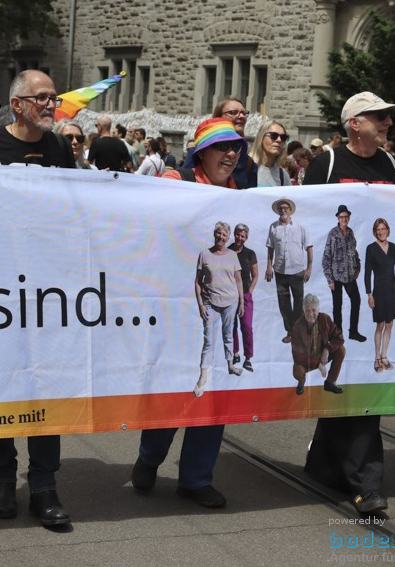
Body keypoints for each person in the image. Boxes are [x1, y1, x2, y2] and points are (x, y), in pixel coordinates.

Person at [0, 70, 75, 528]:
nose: (52, 105)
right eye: (43, 98)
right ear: (18, 104)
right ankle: (2, 479)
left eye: (54, 98)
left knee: (48, 385)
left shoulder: (60, 149)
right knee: (1, 385)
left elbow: (74, 211)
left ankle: (44, 487)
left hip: (49, 292)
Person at [131, 117, 247, 509]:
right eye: (222, 147)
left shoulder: (240, 197)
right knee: (172, 390)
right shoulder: (175, 183)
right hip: (173, 308)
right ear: (202, 152)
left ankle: (196, 478)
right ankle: (150, 457)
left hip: (219, 305)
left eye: (236, 148)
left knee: (214, 393)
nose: (231, 154)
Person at [303, 90, 395, 516]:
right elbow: (308, 222)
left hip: (376, 285)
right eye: (378, 117)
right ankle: (366, 482)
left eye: (388, 118)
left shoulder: (393, 165)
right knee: (350, 375)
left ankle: (327, 466)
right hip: (335, 288)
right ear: (354, 124)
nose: (386, 124)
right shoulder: (325, 164)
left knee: (361, 379)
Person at [193, 221, 245, 394]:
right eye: (219, 233)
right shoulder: (204, 255)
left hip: (231, 302)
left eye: (224, 235)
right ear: (214, 234)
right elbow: (198, 282)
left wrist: (242, 302)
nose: (221, 237)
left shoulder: (232, 255)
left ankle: (230, 365)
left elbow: (238, 280)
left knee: (228, 335)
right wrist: (200, 304)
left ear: (228, 237)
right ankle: (203, 375)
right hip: (210, 303)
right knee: (208, 339)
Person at [266, 197, 312, 343]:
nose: (283, 210)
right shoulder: (273, 227)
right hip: (280, 272)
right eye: (281, 208)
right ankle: (290, 331)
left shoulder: (300, 226)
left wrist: (309, 268)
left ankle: (297, 331)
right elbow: (270, 248)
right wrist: (269, 266)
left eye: (286, 208)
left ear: (290, 210)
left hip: (297, 271)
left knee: (298, 303)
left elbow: (309, 247)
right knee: (284, 303)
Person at [182, 97, 254, 187]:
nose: (241, 116)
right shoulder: (178, 177)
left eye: (237, 147)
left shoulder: (248, 162)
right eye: (233, 112)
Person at [323, 204, 364, 343]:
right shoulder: (333, 234)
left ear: (349, 218)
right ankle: (338, 335)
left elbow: (354, 251)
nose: (344, 219)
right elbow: (326, 257)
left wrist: (357, 266)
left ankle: (353, 331)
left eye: (346, 217)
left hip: (350, 275)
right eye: (341, 217)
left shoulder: (351, 232)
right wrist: (329, 279)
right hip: (336, 276)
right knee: (337, 305)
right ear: (338, 218)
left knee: (356, 300)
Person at [290, 294, 345, 395]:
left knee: (341, 350)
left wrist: (327, 349)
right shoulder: (297, 327)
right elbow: (298, 356)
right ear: (303, 311)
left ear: (318, 310)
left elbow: (339, 338)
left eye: (313, 310)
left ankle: (330, 383)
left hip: (322, 356)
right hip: (305, 361)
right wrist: (318, 364)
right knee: (298, 371)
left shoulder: (325, 319)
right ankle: (301, 384)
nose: (311, 313)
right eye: (307, 310)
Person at [365, 217, 395, 372]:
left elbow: (391, 270)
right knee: (380, 324)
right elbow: (367, 274)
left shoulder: (393, 247)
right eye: (378, 229)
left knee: (389, 324)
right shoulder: (371, 248)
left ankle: (385, 356)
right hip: (378, 290)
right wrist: (369, 294)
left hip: (392, 289)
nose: (380, 232)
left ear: (387, 230)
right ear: (375, 232)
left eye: (383, 229)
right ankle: (377, 358)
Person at [229, 223, 259, 371]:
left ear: (246, 238)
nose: (240, 238)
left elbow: (255, 275)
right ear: (234, 234)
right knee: (231, 326)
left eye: (243, 236)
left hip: (245, 295)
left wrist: (250, 291)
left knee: (246, 327)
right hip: (229, 295)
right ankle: (235, 353)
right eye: (238, 234)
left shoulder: (250, 254)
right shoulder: (227, 252)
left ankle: (248, 358)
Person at [253, 121, 292, 187]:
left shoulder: (282, 175)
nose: (279, 140)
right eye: (273, 135)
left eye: (283, 137)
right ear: (261, 138)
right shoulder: (247, 168)